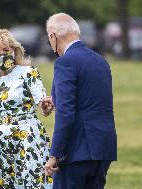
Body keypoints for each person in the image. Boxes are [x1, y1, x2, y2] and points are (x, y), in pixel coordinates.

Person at [0, 29, 54, 188]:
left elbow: (42, 107)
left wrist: (46, 107)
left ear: (14, 50)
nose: (2, 54)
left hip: (29, 141)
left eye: (5, 49)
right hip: (1, 144)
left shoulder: (29, 73)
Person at [43, 13, 117, 189]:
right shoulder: (101, 61)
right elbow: (91, 99)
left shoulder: (65, 62)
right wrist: (55, 100)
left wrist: (55, 154)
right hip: (103, 147)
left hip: (77, 149)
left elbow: (66, 114)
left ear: (53, 36)